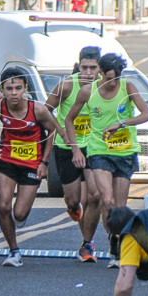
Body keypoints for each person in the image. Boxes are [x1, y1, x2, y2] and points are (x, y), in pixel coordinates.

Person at [64, 53, 148, 267]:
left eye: (117, 79)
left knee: (120, 207)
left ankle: (117, 245)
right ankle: (112, 241)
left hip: (125, 152)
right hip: (99, 150)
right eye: (109, 78)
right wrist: (76, 150)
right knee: (106, 200)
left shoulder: (127, 87)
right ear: (101, 73)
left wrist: (121, 123)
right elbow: (69, 119)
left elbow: (147, 114)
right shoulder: (88, 91)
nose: (113, 83)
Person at [0, 67, 65, 267]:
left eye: (18, 88)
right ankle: (14, 252)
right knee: (3, 206)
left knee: (19, 213)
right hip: (8, 161)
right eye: (9, 88)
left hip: (32, 163)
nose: (13, 93)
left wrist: (44, 162)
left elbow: (52, 132)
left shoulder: (37, 109)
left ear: (25, 88)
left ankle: (18, 222)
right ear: (3, 89)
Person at [45, 46, 104, 262]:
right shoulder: (67, 86)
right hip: (67, 147)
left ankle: (87, 244)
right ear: (78, 66)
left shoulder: (103, 87)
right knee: (74, 201)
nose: (88, 73)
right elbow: (45, 109)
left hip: (94, 147)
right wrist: (59, 130)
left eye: (93, 68)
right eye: (84, 67)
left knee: (95, 196)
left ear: (100, 68)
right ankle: (74, 210)